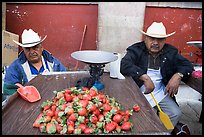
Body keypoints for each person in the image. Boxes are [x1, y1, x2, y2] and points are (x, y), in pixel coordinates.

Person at [120, 22, 194, 132]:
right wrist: (143, 76)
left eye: (160, 39)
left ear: (164, 41)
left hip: (160, 91)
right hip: (138, 91)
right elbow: (124, 65)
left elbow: (188, 65)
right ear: (146, 38)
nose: (155, 43)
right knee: (139, 117)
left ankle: (160, 131)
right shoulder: (136, 49)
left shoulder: (171, 52)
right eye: (152, 39)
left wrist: (178, 75)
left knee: (175, 113)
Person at [3, 29, 67, 96]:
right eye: (27, 49)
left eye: (35, 48)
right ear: (23, 50)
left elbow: (65, 80)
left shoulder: (53, 63)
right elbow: (8, 91)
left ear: (41, 48)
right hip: (27, 104)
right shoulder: (15, 67)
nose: (32, 52)